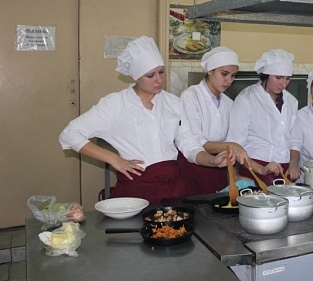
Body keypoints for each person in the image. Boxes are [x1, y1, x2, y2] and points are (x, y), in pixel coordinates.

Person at [59, 36, 230, 205]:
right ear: (136, 76)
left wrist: (213, 161)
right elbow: (70, 134)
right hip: (136, 191)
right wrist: (113, 159)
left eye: (161, 72)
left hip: (173, 190)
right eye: (150, 75)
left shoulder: (173, 103)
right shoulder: (115, 104)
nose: (159, 80)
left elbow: (189, 145)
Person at [178, 46, 252, 195]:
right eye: (224, 73)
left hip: (220, 166)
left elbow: (231, 140)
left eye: (233, 76)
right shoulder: (190, 96)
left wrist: (235, 173)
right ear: (210, 71)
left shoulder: (229, 103)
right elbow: (196, 141)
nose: (228, 80)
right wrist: (231, 146)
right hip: (195, 166)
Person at [227, 49, 298, 185]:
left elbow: (294, 140)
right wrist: (261, 169)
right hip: (254, 168)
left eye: (287, 78)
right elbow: (235, 145)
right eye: (278, 78)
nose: (283, 84)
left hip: (284, 170)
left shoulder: (292, 101)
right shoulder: (247, 99)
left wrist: (293, 164)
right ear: (266, 75)